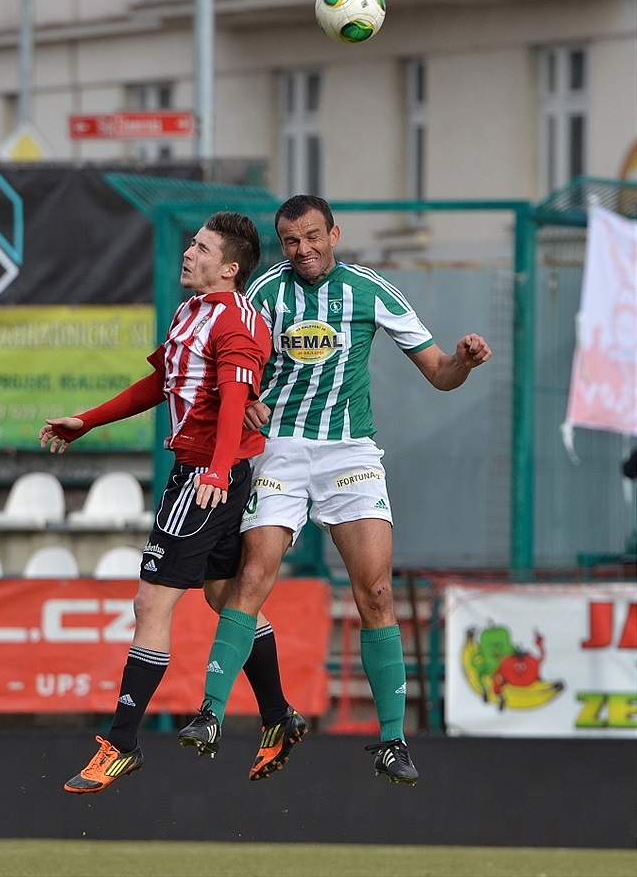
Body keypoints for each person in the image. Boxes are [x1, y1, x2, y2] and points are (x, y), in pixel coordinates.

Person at [178, 194, 492, 786]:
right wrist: (244, 403)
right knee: (251, 578)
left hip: (350, 452)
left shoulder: (370, 289)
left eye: (313, 237)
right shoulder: (264, 293)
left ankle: (393, 742)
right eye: (292, 240)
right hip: (280, 450)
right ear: (282, 242)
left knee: (375, 590)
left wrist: (466, 361)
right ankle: (210, 715)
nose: (304, 250)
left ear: (334, 234)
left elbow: (441, 374)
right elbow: (229, 367)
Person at [39, 211, 307, 793]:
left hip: (208, 477)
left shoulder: (236, 323)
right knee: (222, 596)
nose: (189, 253)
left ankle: (121, 743)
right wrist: (87, 421)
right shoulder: (192, 313)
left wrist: (213, 470)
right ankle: (279, 714)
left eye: (203, 248)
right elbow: (158, 385)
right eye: (191, 243)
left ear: (229, 268)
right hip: (210, 472)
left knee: (150, 604)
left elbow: (236, 400)